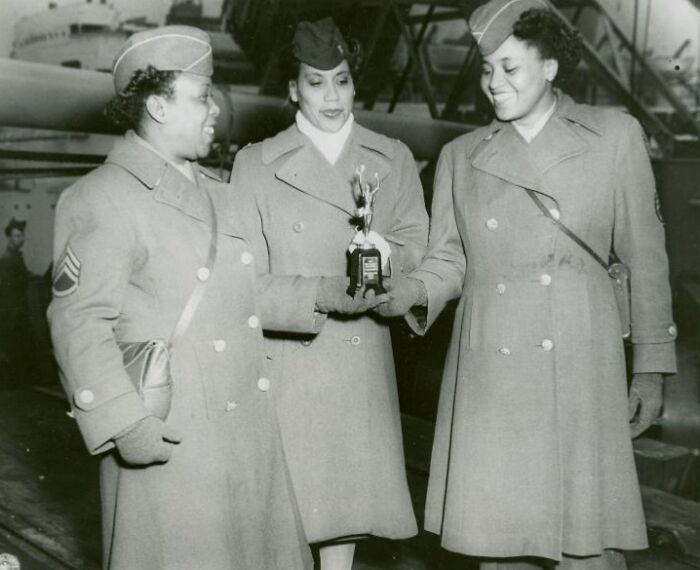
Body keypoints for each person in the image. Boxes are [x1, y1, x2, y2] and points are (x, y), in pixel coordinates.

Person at [376, 1, 678, 569]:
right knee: (501, 546)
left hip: (581, 366)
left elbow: (647, 259)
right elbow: (449, 260)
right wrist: (408, 292)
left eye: (510, 68)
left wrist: (652, 366)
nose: (494, 83)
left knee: (587, 544)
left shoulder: (615, 138)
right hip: (494, 374)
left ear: (551, 68)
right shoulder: (460, 158)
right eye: (487, 68)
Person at [48, 26, 314, 570]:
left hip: (245, 435)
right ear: (158, 107)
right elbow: (79, 323)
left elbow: (243, 294)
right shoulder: (104, 198)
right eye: (200, 97)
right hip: (173, 438)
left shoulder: (218, 193)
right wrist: (126, 423)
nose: (215, 110)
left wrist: (327, 295)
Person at [229, 17, 428, 570]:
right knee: (284, 520)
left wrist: (386, 261)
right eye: (315, 83)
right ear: (293, 89)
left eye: (341, 80)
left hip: (361, 365)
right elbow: (242, 285)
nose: (332, 96)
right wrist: (321, 293)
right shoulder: (256, 165)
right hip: (290, 363)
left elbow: (418, 242)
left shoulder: (392, 158)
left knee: (343, 515)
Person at [0, 218, 34, 388]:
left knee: (19, 349)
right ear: (9, 238)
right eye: (17, 236)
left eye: (22, 236)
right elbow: (6, 293)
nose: (21, 239)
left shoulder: (16, 257)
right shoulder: (8, 260)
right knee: (14, 349)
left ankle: (18, 383)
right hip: (12, 313)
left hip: (18, 311)